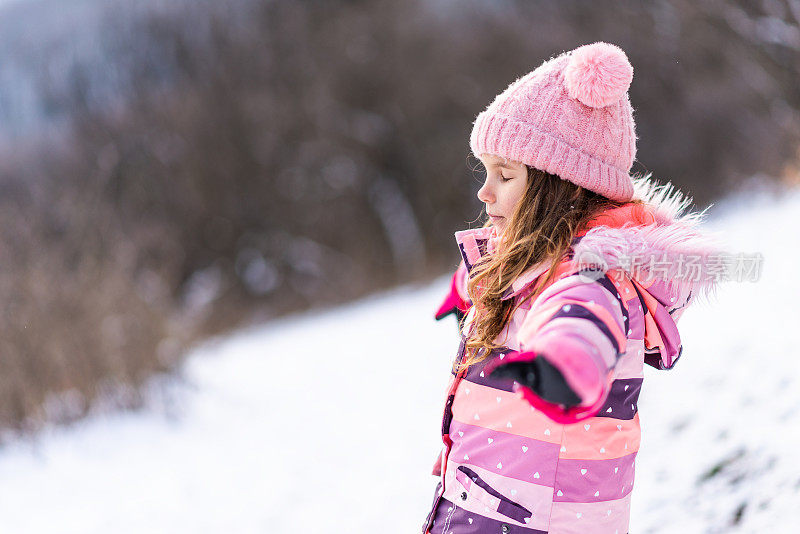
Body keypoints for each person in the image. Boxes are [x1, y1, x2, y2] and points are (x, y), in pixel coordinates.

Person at [422, 42, 729, 534]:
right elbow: (520, 283)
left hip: (535, 519)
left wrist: (567, 366)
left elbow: (578, 318)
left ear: (558, 186)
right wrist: (468, 289)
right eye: (486, 172)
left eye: (505, 175)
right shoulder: (535, 260)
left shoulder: (589, 274)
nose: (484, 191)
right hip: (486, 501)